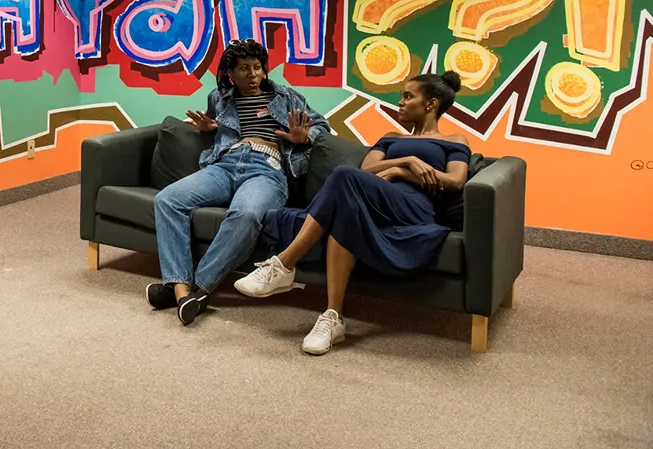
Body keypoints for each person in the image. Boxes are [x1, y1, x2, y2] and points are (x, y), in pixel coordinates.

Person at [233, 71, 471, 355]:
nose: (401, 102)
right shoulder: (390, 138)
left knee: (343, 177)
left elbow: (455, 181)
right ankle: (333, 318)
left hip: (414, 208)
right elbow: (365, 171)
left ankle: (284, 264)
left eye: (409, 96)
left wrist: (399, 172)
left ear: (431, 104)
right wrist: (407, 161)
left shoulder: (455, 139)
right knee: (344, 209)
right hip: (376, 201)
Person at [146, 38, 330, 326]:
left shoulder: (287, 97)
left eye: (257, 67)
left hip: (266, 167)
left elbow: (322, 126)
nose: (253, 74)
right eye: (244, 68)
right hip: (226, 162)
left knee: (245, 214)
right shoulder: (219, 97)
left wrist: (304, 137)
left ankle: (199, 289)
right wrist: (209, 127)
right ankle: (181, 290)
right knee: (167, 200)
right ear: (231, 74)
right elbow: (217, 125)